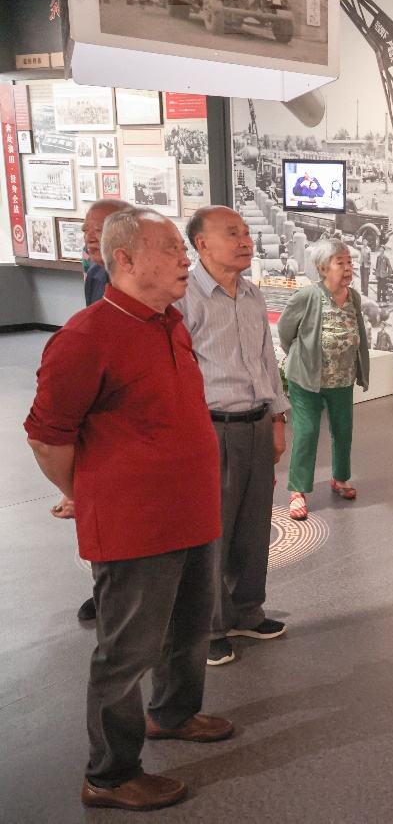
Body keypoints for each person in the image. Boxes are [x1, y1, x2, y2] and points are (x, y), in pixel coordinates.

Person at [25, 207, 232, 812]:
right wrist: (88, 491)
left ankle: (173, 713)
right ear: (125, 258)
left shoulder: (170, 323)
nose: (185, 258)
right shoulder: (85, 337)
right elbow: (47, 437)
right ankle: (110, 775)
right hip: (134, 524)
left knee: (190, 628)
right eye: (171, 248)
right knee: (126, 653)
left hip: (193, 512)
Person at [178, 206, 291, 667]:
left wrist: (278, 419)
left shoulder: (251, 293)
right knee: (212, 532)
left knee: (253, 526)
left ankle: (247, 610)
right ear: (202, 243)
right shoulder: (185, 298)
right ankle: (209, 626)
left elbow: (267, 362)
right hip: (210, 427)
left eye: (246, 232)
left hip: (256, 423)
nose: (246, 241)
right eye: (233, 233)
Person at [63, 200, 137, 623]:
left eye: (99, 228)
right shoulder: (95, 274)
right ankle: (107, 589)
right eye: (87, 228)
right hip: (100, 409)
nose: (90, 236)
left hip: (133, 412)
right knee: (102, 514)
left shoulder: (145, 283)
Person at [277, 239, 370, 520]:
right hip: (307, 378)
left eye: (349, 261)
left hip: (342, 378)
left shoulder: (353, 297)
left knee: (343, 430)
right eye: (340, 262)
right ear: (322, 268)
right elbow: (285, 330)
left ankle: (340, 478)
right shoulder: (307, 296)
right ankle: (298, 490)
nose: (348, 267)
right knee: (306, 433)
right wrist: (299, 354)